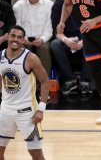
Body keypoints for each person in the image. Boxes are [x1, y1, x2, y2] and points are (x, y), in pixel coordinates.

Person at [0, 25, 50, 160]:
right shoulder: (0, 56)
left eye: (19, 37)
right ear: (8, 37)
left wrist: (41, 109)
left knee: (36, 155)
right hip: (5, 110)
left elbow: (45, 81)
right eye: (13, 36)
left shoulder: (31, 58)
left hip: (27, 112)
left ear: (23, 41)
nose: (15, 39)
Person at [50, 0, 92, 97]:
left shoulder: (87, 4)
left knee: (92, 43)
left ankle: (86, 81)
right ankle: (70, 80)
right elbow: (56, 31)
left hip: (84, 40)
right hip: (66, 40)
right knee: (55, 44)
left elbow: (92, 29)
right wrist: (66, 40)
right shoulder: (58, 6)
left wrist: (83, 42)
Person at [13, 0, 53, 76]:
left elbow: (49, 28)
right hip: (24, 39)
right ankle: (23, 81)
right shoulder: (18, 6)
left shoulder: (49, 5)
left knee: (44, 49)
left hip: (43, 39)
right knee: (21, 47)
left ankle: (43, 83)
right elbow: (18, 27)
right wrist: (24, 39)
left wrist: (42, 39)